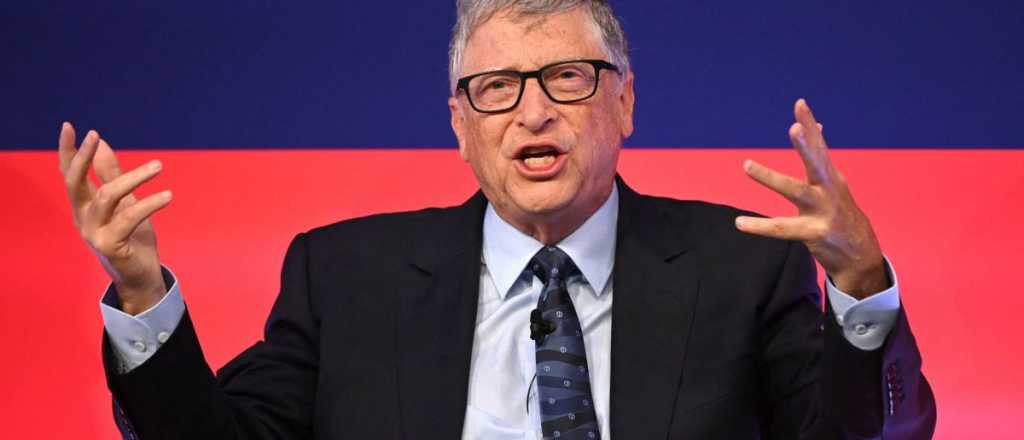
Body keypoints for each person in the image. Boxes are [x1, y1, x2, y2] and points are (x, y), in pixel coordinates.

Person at [57, 1, 936, 439]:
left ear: (625, 103)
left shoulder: (741, 267)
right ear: (460, 124)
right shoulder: (346, 277)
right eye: (496, 88)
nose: (532, 111)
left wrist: (861, 288)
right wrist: (141, 293)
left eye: (568, 78)